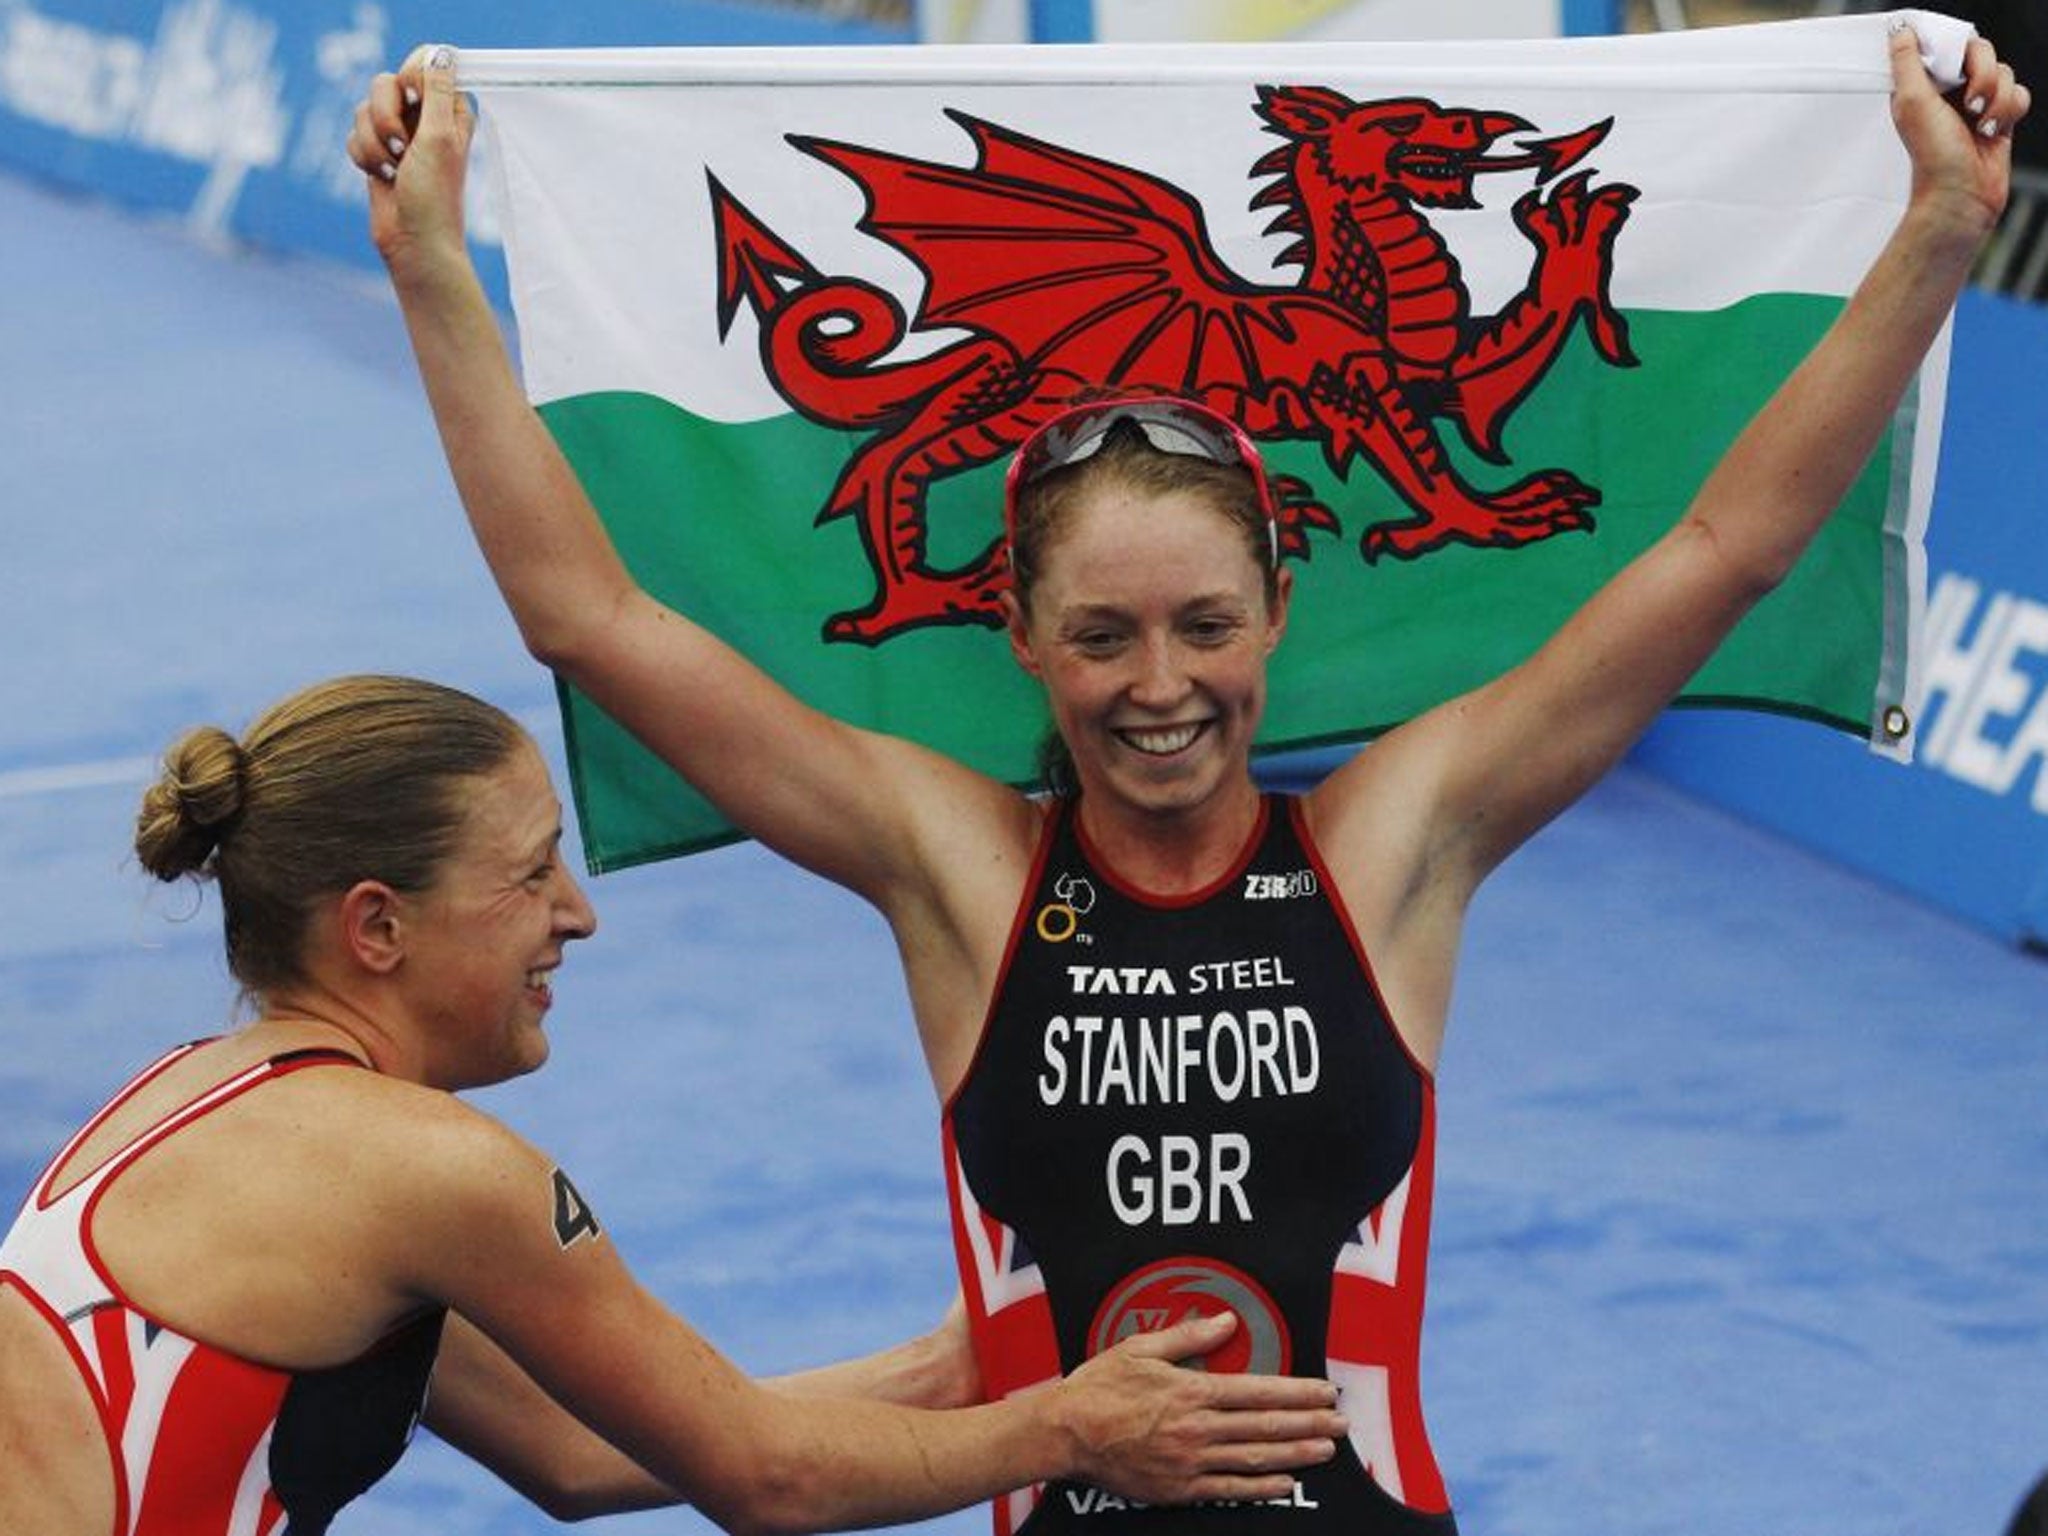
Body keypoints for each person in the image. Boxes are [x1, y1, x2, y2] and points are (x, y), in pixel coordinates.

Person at [348, 24, 2029, 1535]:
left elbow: (1727, 549)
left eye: (1206, 627)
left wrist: (1942, 234)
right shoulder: (958, 869)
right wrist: (431, 264)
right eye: (1102, 638)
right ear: (1016, 635)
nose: (1161, 689)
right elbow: (590, 614)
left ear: (1278, 611)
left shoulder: (1398, 843)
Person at [0, 675, 1346, 1535]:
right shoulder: (428, 1169)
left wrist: (947, 1377)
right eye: (531, 878)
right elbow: (762, 1479)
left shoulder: (198, 1101)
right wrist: (1070, 1428)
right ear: (376, 928)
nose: (577, 917)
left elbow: (572, 1456)